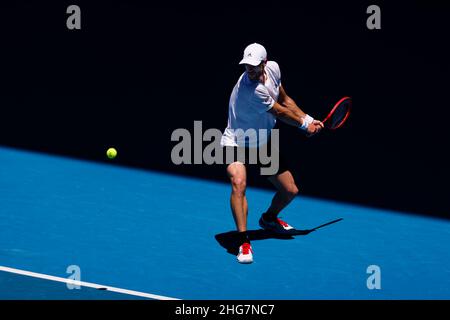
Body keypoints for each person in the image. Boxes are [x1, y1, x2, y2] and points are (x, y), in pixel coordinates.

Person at [220, 43, 324, 264]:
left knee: (290, 191)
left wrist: (308, 119)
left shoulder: (274, 69)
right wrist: (305, 126)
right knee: (239, 183)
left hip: (261, 141)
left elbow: (285, 100)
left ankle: (268, 219)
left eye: (254, 66)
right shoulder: (252, 89)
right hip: (236, 141)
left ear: (265, 64)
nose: (249, 70)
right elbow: (279, 112)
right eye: (246, 65)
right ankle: (243, 241)